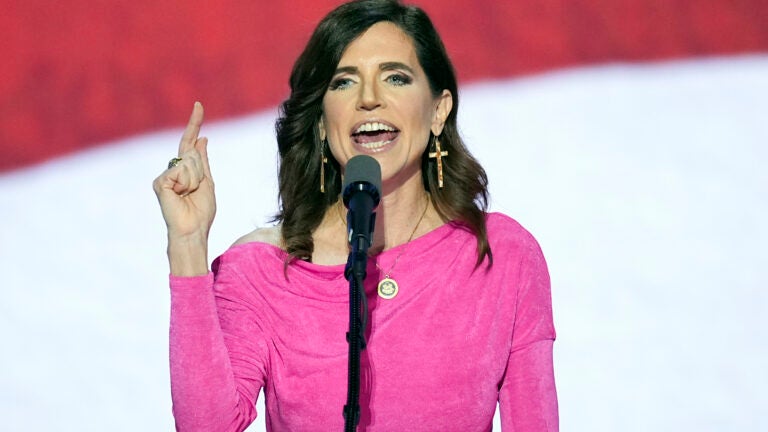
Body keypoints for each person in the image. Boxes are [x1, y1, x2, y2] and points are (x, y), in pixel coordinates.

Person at [152, 0, 558, 430]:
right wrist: (188, 245)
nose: (369, 99)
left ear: (438, 111)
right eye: (344, 83)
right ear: (323, 124)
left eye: (396, 78)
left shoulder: (499, 254)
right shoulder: (261, 270)